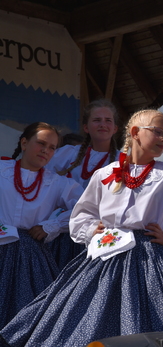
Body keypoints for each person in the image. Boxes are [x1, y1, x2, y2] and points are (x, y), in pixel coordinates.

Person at [1, 109, 163, 347]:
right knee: (83, 320)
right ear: (135, 132)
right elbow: (80, 215)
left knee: (146, 324)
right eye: (158, 132)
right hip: (102, 259)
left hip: (146, 261)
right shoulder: (105, 174)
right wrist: (92, 229)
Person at [0, 122, 83, 330]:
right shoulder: (2, 171)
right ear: (25, 143)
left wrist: (52, 225)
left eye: (52, 147)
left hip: (31, 256)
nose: (46, 150)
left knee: (30, 314)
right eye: (41, 144)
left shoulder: (56, 182)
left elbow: (87, 207)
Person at [45, 99, 121, 269]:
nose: (103, 124)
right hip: (65, 231)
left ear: (115, 128)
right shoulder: (67, 154)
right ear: (86, 127)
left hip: (102, 232)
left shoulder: (124, 161)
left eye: (108, 120)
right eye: (96, 120)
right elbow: (40, 174)